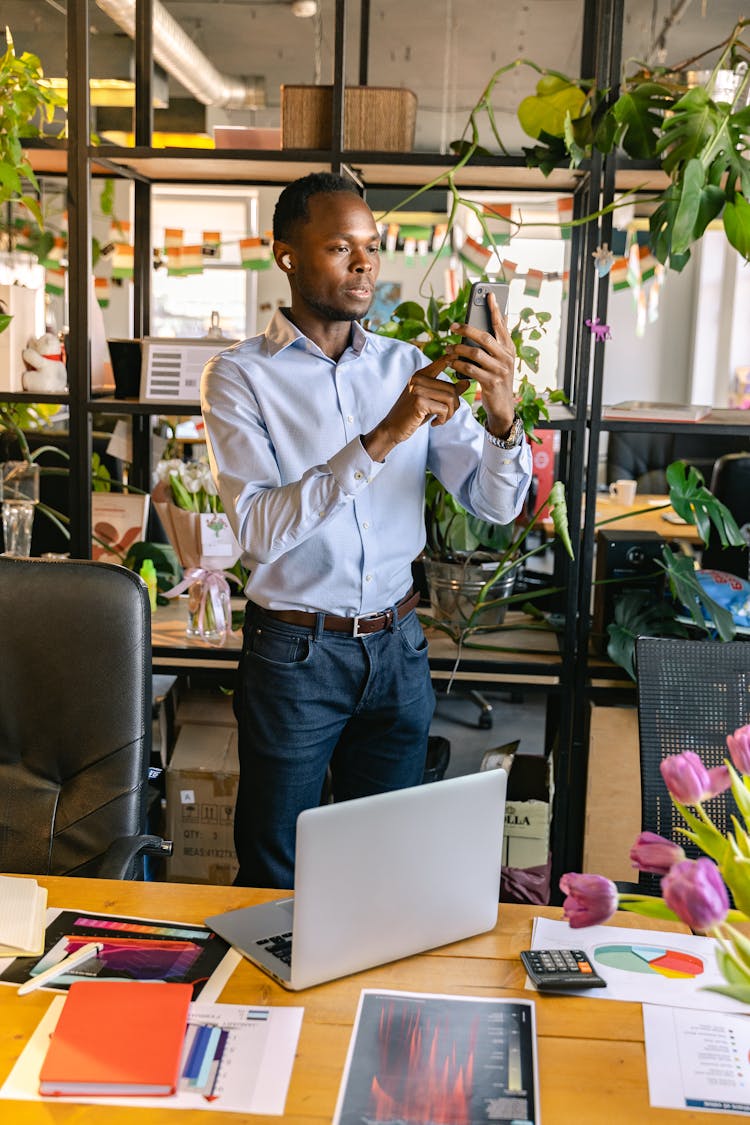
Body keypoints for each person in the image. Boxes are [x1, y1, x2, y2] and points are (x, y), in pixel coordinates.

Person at [201, 171, 533, 888]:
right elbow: (258, 530)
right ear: (286, 255)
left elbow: (496, 503)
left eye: (373, 247)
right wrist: (385, 433)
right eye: (340, 246)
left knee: (382, 869)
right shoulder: (238, 376)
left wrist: (504, 419)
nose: (364, 264)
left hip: (398, 648)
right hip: (294, 653)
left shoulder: (407, 365)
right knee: (274, 868)